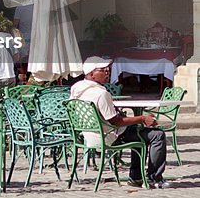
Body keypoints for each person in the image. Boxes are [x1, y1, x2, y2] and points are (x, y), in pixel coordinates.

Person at [71, 56, 169, 189]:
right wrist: (142, 118)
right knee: (157, 135)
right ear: (92, 74)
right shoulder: (100, 93)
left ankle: (136, 177)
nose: (107, 72)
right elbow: (115, 121)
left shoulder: (77, 88)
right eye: (102, 70)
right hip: (108, 136)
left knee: (138, 131)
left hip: (88, 135)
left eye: (107, 69)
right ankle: (154, 178)